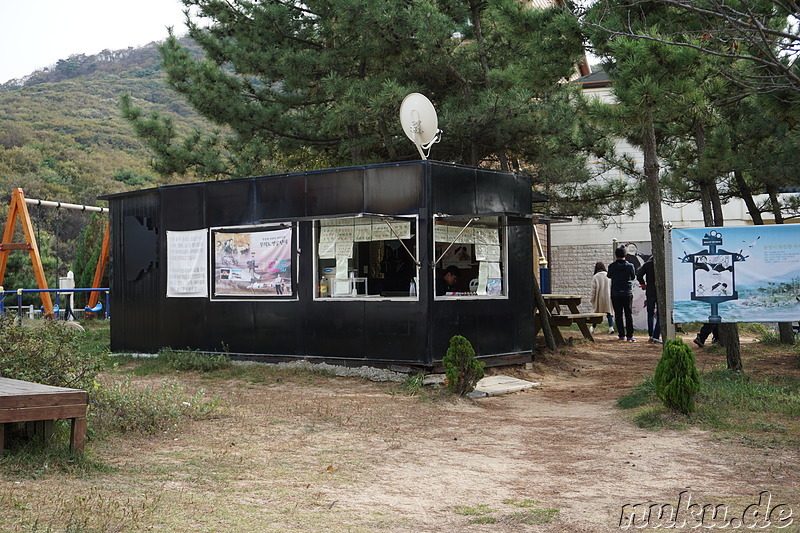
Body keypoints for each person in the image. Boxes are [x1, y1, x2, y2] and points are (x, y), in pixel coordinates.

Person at [607, 246, 636, 342]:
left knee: (618, 314)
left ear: (616, 256)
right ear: (625, 255)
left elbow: (609, 275)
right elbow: (632, 277)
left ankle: (621, 335)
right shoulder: (630, 266)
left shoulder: (612, 266)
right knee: (628, 314)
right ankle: (630, 336)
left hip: (615, 293)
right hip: (627, 293)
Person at [636, 256, 661, 344]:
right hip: (661, 291)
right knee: (660, 314)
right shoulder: (662, 264)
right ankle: (656, 335)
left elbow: (639, 275)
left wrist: (643, 283)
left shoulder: (647, 264)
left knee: (650, 314)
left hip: (650, 290)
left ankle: (651, 335)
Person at [590, 262, 614, 335]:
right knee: (609, 313)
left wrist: (592, 299)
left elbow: (593, 290)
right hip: (608, 297)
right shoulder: (608, 275)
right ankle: (611, 327)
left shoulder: (595, 277)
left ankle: (592, 328)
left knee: (597, 313)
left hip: (599, 298)